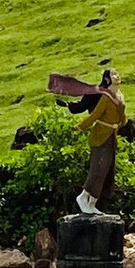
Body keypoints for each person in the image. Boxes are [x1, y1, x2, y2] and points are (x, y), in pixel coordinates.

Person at [48, 69, 126, 215]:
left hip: (111, 136)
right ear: (108, 80)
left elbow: (122, 116)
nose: (118, 76)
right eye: (114, 74)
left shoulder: (119, 96)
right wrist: (78, 127)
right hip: (100, 136)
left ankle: (92, 203)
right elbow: (94, 116)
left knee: (107, 171)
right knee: (98, 168)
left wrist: (120, 122)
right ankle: (83, 197)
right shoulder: (105, 97)